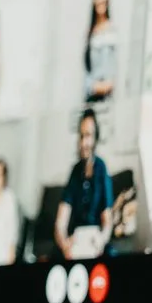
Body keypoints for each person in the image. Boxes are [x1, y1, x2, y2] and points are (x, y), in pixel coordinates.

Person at [54, 109, 115, 259]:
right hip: (76, 239)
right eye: (81, 136)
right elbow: (61, 220)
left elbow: (107, 220)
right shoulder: (74, 172)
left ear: (95, 138)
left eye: (88, 136)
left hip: (95, 238)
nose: (83, 143)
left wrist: (101, 240)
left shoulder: (101, 168)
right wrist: (64, 242)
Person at [83, 0, 120, 104]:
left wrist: (105, 86)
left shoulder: (113, 31)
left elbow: (112, 78)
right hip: (90, 102)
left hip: (107, 102)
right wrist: (93, 86)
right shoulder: (90, 34)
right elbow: (87, 75)